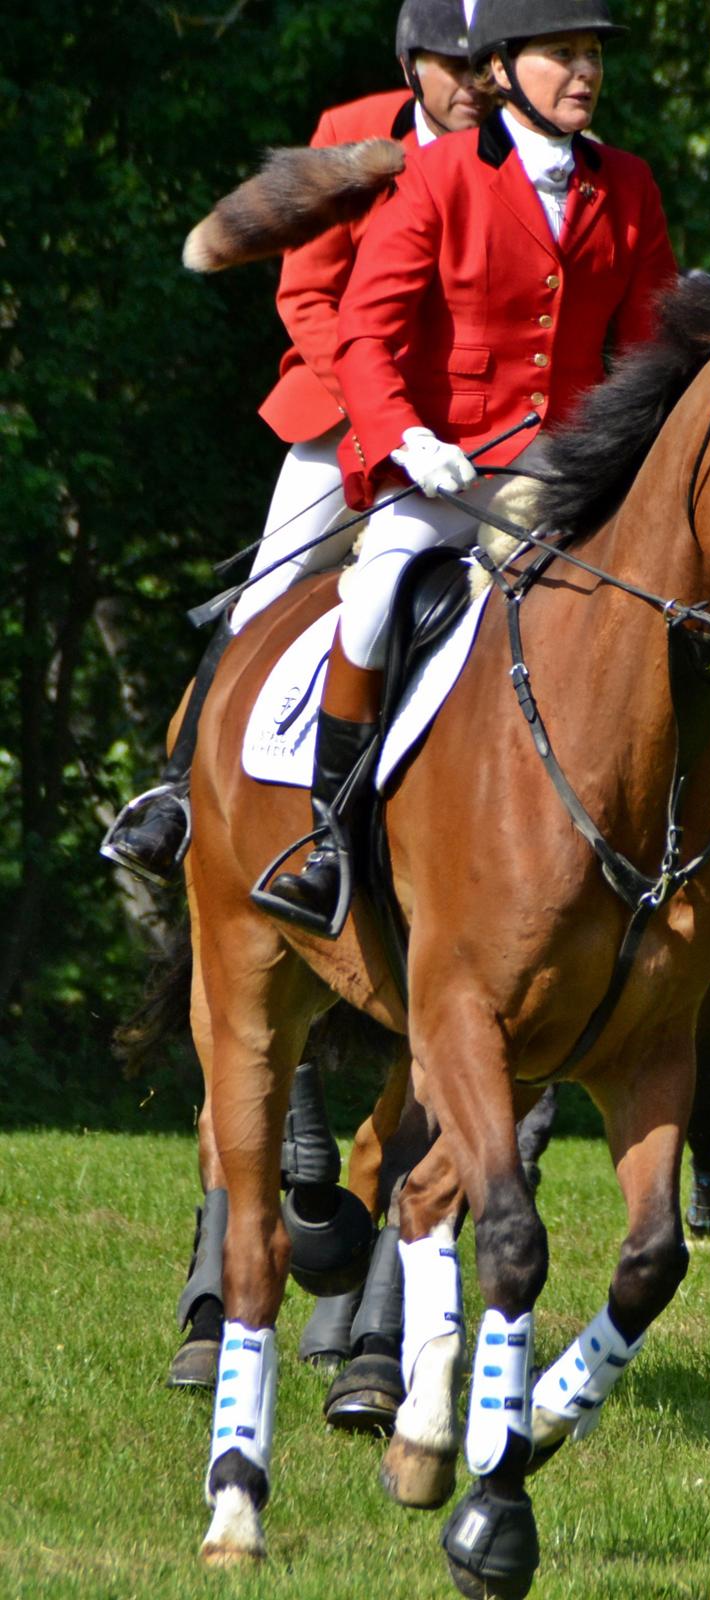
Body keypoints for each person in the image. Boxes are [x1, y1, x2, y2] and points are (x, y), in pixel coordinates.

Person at [257, 0, 680, 937]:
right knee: (371, 598)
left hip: (569, 474)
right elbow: (365, 332)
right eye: (562, 55)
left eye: (592, 56)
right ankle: (329, 843)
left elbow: (650, 351)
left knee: (687, 608)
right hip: (449, 464)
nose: (585, 73)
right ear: (503, 69)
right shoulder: (437, 176)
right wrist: (407, 439)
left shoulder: (630, 185)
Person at [101, 0, 490, 886]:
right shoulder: (350, 134)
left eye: (486, 66)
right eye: (454, 66)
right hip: (345, 411)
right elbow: (306, 298)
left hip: (472, 429)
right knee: (268, 589)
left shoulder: (518, 160)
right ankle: (174, 798)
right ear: (411, 66)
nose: (474, 85)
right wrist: (376, 405)